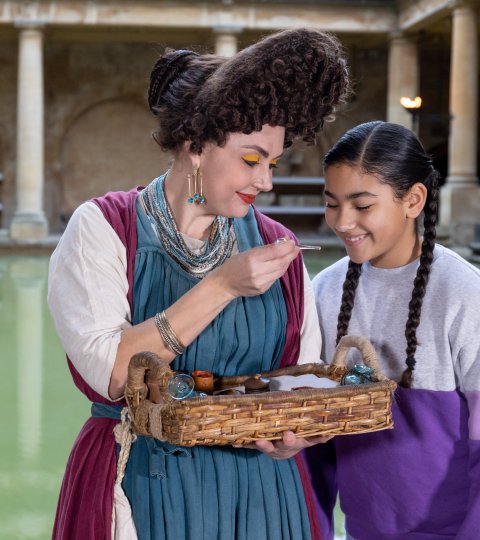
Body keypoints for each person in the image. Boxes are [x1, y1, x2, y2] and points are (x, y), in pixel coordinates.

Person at [47, 27, 350, 540]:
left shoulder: (278, 246)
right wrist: (223, 286)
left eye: (272, 163)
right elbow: (114, 374)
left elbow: (300, 378)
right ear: (195, 145)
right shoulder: (102, 229)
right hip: (147, 484)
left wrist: (297, 437)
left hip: (263, 498)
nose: (266, 181)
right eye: (251, 159)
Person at [305, 121, 480, 540]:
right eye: (332, 204)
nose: (343, 221)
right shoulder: (324, 291)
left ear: (413, 200)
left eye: (362, 205)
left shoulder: (463, 293)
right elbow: (316, 447)